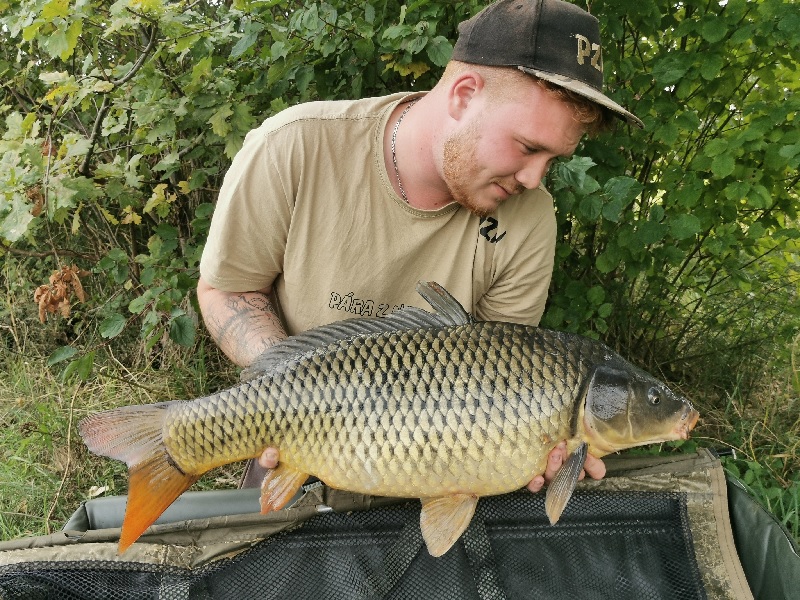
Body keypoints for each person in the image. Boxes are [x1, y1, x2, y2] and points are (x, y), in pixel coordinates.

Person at [197, 0, 643, 492]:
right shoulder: (296, 147)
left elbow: (506, 380)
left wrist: (537, 448)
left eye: (553, 159)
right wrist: (291, 394)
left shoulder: (531, 219)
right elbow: (227, 291)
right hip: (294, 439)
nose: (534, 179)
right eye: (527, 147)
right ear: (464, 95)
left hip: (440, 453)